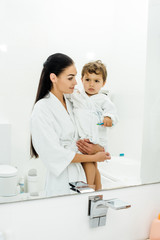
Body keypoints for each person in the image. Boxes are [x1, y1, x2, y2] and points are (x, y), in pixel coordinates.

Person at [30, 53, 111, 197]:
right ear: (53, 78)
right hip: (62, 180)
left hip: (83, 175)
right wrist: (93, 158)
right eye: (70, 78)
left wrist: (96, 149)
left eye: (75, 77)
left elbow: (89, 131)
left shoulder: (73, 102)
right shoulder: (42, 109)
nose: (75, 83)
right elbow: (54, 154)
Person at [68, 60, 118, 190]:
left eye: (96, 81)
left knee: (88, 161)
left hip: (95, 139)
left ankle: (89, 187)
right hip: (83, 137)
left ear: (103, 83)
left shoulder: (103, 99)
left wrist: (108, 117)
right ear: (81, 80)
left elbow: (112, 112)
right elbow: (67, 95)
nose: (91, 84)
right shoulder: (78, 95)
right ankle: (97, 189)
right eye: (88, 79)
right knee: (93, 165)